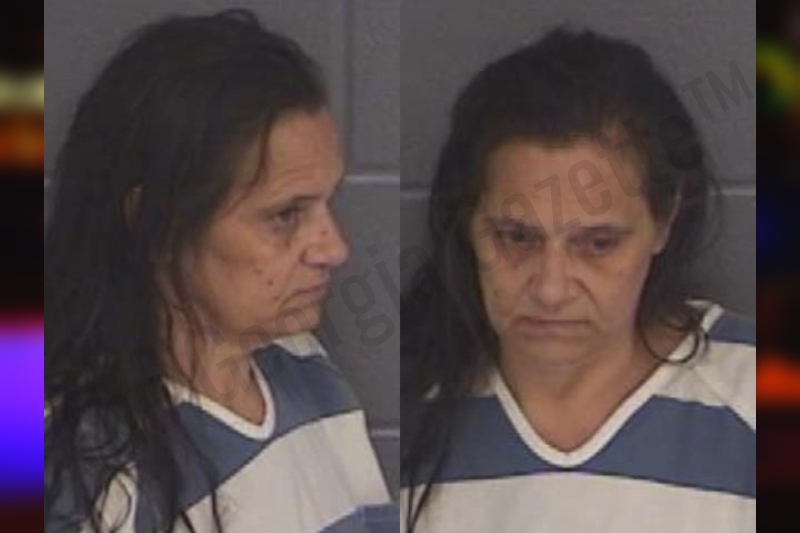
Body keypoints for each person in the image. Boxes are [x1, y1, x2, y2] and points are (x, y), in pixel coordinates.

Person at [45, 10, 395, 533]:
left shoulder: (305, 365)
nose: (335, 248)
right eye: (285, 215)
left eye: (328, 202)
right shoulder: (92, 477)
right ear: (155, 223)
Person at [400, 27, 755, 532]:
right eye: (516, 237)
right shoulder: (406, 411)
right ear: (468, 223)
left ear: (664, 221)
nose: (551, 290)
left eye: (599, 243)